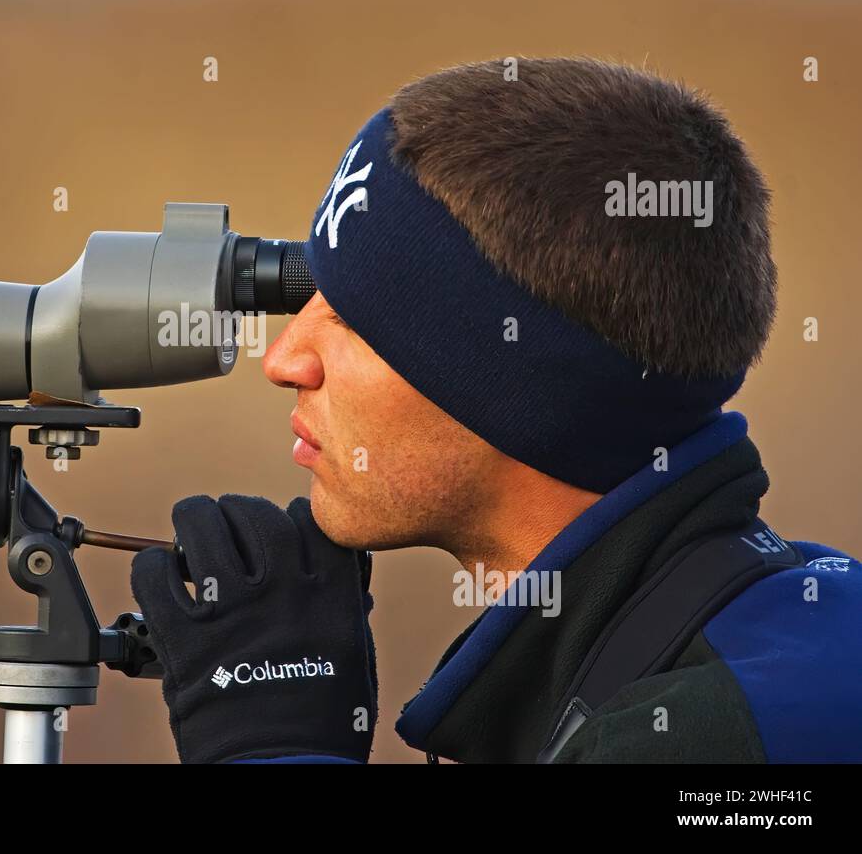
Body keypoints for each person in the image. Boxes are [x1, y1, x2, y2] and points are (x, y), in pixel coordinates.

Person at [129, 57, 862, 764]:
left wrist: (274, 748)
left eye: (353, 319)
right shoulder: (743, 634)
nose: (283, 358)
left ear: (515, 388)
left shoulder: (723, 735)